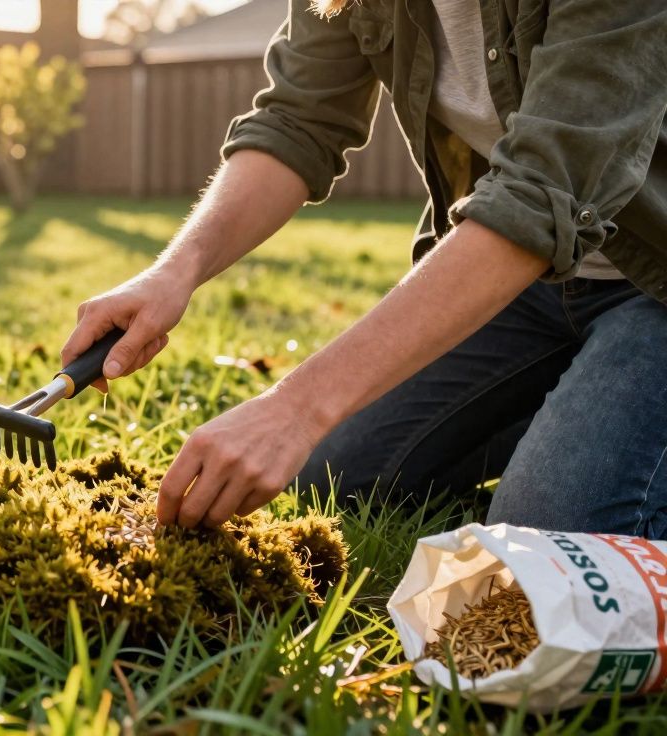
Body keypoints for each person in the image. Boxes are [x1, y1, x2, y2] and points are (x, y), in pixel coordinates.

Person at [61, 0, 667, 535]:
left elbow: (544, 191)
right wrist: (175, 270)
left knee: (552, 544)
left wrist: (297, 407)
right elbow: (299, 119)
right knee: (331, 480)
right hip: (522, 289)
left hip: (655, 285)